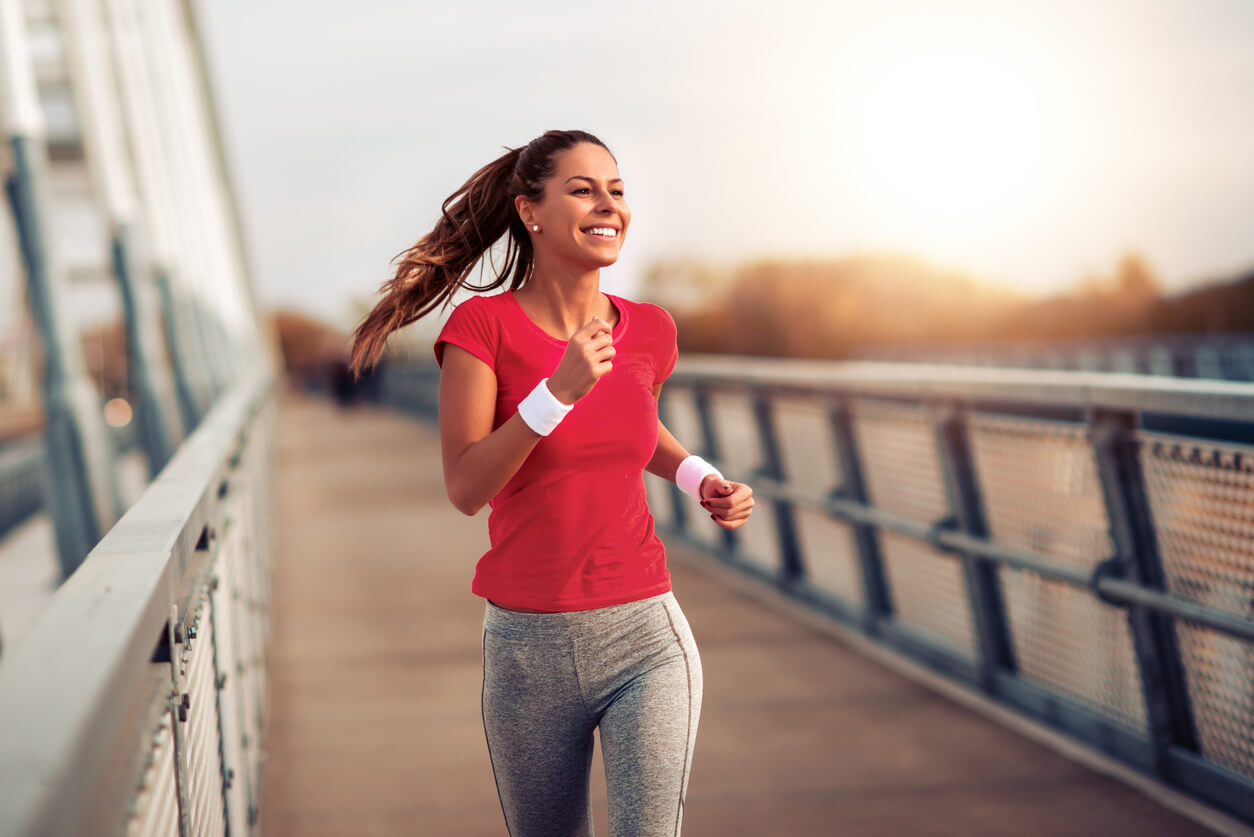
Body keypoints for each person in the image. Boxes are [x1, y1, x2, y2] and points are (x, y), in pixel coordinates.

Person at [349, 129, 755, 836]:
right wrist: (554, 392)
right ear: (529, 210)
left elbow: (631, 427)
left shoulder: (651, 330)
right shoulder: (482, 327)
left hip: (645, 635)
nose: (609, 204)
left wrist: (700, 477)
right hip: (527, 651)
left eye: (617, 189)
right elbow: (466, 484)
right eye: (583, 188)